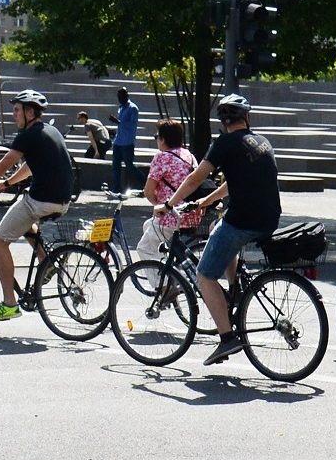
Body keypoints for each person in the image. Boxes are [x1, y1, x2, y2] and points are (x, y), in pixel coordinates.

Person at [154, 94, 284, 365]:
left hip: (243, 221)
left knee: (203, 275)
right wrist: (206, 201)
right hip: (269, 217)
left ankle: (227, 339)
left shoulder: (224, 144)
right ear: (246, 118)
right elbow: (238, 181)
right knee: (216, 225)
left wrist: (168, 204)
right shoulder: (261, 141)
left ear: (224, 123)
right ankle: (234, 287)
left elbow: (194, 178)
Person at [0, 90, 76, 323]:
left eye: (17, 110)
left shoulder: (27, 136)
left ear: (30, 112)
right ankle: (47, 262)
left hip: (41, 200)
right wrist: (7, 184)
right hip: (62, 200)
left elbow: (1, 165)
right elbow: (31, 166)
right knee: (22, 222)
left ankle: (9, 303)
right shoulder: (49, 131)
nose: (14, 114)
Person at [136, 118, 201, 260]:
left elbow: (148, 191)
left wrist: (159, 206)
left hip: (171, 216)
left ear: (163, 139)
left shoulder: (162, 157)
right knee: (148, 225)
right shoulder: (188, 155)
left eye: (157, 137)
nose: (156, 140)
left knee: (144, 249)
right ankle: (168, 269)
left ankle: (163, 282)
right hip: (192, 214)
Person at [109, 87, 139, 198]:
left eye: (121, 96)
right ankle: (116, 189)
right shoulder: (120, 108)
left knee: (129, 166)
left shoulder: (133, 108)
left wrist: (118, 122)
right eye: (118, 97)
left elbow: (132, 125)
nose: (119, 99)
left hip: (127, 142)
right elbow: (121, 125)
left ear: (127, 96)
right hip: (118, 141)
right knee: (115, 166)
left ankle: (144, 182)